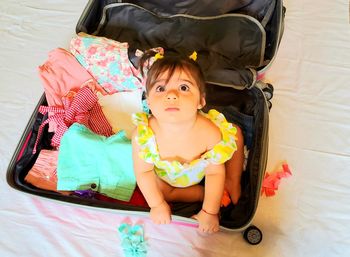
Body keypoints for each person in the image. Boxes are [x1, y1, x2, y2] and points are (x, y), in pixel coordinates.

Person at [131, 50, 244, 233]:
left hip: (203, 173)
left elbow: (214, 173)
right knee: (160, 191)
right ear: (149, 102)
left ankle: (232, 180)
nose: (172, 95)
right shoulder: (143, 136)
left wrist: (209, 212)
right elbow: (143, 172)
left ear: (201, 101)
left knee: (235, 133)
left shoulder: (209, 133)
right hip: (169, 181)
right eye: (161, 88)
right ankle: (201, 194)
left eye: (184, 87)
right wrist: (157, 204)